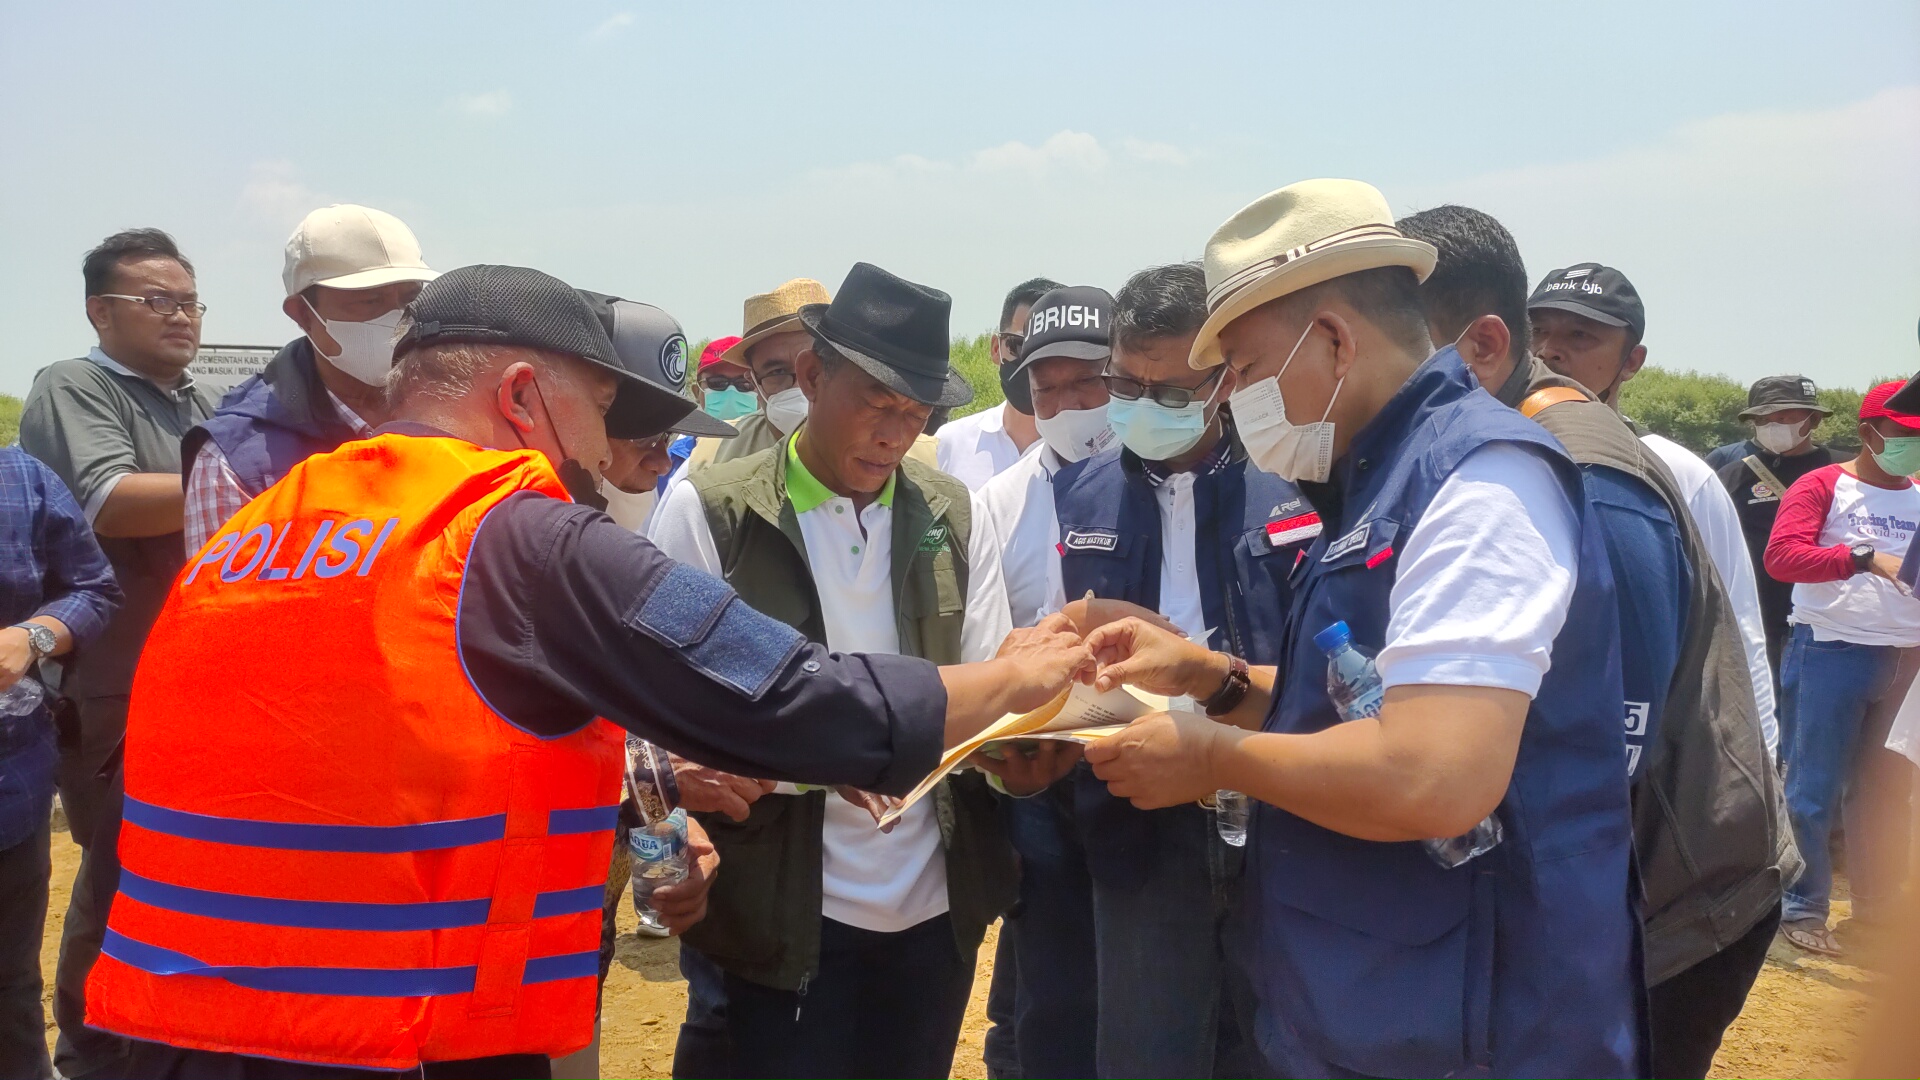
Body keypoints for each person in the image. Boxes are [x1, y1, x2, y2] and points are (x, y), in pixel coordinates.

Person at [80, 264, 1091, 1079]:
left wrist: (644, 801)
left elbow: (386, 751)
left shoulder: (266, 525)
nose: (612, 450)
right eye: (602, 408)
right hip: (395, 1026)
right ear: (523, 395)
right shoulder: (518, 538)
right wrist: (1014, 681)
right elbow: (782, 693)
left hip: (177, 1024)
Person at [1079, 179, 1644, 1079]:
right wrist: (1210, 678)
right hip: (1373, 1000)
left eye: (1249, 370)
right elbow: (1358, 703)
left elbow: (1433, 775)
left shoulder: (1480, 482)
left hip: (1471, 1027)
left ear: (1336, 341)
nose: (1235, 400)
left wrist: (1212, 757)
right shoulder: (1379, 478)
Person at [1401, 205, 1796, 1080]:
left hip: (1679, 894)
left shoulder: (1590, 475)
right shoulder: (1503, 450)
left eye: (1582, 336)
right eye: (1553, 332)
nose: (1564, 351)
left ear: (1480, 345)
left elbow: (1614, 743)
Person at [648, 262, 1028, 1080]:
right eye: (876, 404)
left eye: (914, 412)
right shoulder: (713, 515)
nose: (894, 433)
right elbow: (666, 721)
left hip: (931, 912)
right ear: (813, 378)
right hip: (774, 916)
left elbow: (991, 690)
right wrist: (830, 759)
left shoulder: (953, 514)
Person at [990, 264, 1301, 1080]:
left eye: (1169, 393)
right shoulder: (1080, 497)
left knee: (1271, 1044)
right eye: (1125, 383)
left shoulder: (1298, 483)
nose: (1138, 407)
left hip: (1282, 812)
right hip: (1135, 823)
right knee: (1146, 1049)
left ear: (1226, 380)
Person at [17, 227, 220, 1079]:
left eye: (189, 301)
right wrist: (268, 487)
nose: (180, 317)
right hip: (113, 681)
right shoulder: (76, 385)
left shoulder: (193, 406)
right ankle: (92, 1055)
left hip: (197, 678)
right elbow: (109, 501)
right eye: (157, 300)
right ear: (101, 312)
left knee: (185, 878)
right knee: (120, 878)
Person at [1529, 262, 1781, 761]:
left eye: (1580, 335)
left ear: (1632, 360)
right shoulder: (1496, 456)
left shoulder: (1677, 473)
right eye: (1537, 330)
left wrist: (1762, 759)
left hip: (1641, 758)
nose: (1548, 350)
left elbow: (1738, 627)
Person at [1764, 380, 1920, 958]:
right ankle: (1802, 906)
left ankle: (1877, 911)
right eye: (1903, 435)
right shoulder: (1823, 485)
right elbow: (1781, 557)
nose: (1912, 446)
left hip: (1907, 660)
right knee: (1813, 786)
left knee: (1886, 792)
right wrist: (1861, 558)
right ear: (1868, 432)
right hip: (1830, 649)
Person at [182, 205, 440, 552]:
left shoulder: (457, 408)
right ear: (303, 313)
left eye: (410, 298)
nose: (396, 318)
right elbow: (226, 602)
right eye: (369, 301)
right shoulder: (233, 460)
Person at [0, 449, 120, 1080]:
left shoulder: (21, 479)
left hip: (11, 791)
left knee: (11, 988)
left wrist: (34, 636)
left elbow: (94, 587)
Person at [1712, 377, 1846, 709]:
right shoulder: (1726, 464)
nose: (1773, 426)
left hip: (1823, 613)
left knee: (1811, 705)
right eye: (1764, 419)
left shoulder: (1841, 468)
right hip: (1747, 607)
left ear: (1812, 420)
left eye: (1785, 418)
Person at [936, 277, 1059, 490]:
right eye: (1019, 346)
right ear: (996, 349)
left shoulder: (1083, 452)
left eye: (1049, 351)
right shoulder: (950, 444)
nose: (1032, 363)